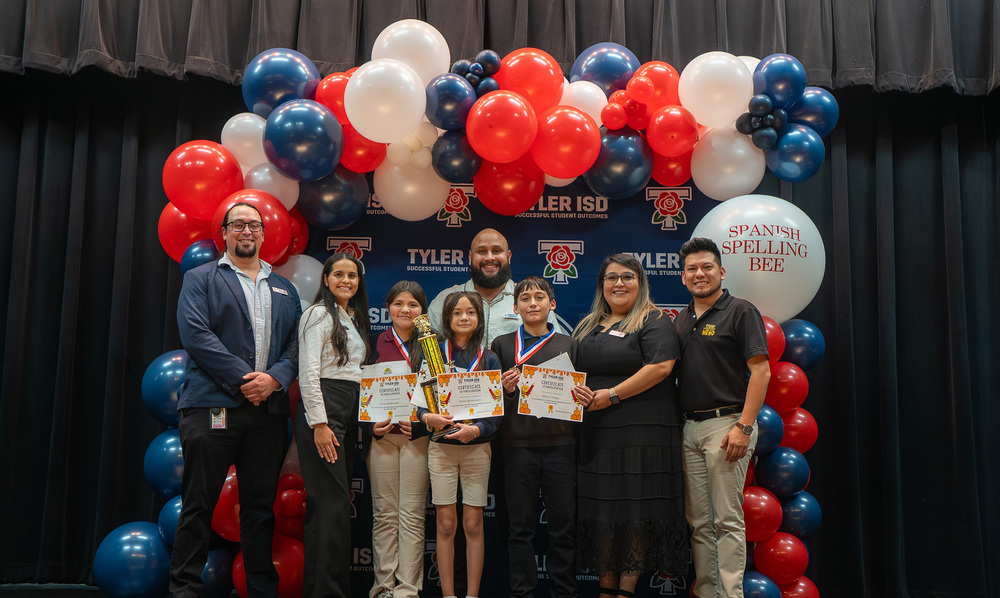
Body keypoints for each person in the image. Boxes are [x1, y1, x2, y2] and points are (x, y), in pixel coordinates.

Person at [170, 202, 301, 598]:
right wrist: (247, 381)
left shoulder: (284, 287)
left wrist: (275, 379)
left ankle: (262, 590)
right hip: (213, 408)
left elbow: (298, 344)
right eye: (238, 224)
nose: (247, 231)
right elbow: (196, 335)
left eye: (254, 225)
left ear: (264, 234)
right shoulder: (201, 278)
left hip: (268, 414)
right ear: (224, 233)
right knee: (198, 506)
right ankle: (184, 590)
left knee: (260, 511)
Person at [572, 254, 687, 598]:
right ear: (601, 285)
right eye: (611, 278)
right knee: (605, 511)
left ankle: (626, 592)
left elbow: (661, 368)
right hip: (597, 432)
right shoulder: (590, 324)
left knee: (634, 510)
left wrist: (614, 395)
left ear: (640, 282)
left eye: (627, 277)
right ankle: (606, 591)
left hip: (642, 431)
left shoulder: (653, 321)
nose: (618, 283)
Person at [674, 238, 771, 598]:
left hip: (727, 425)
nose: (699, 274)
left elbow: (761, 372)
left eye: (706, 267)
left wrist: (743, 427)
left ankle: (731, 595)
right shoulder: (682, 319)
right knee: (699, 523)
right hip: (690, 428)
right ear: (683, 277)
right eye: (692, 269)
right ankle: (708, 592)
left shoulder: (741, 311)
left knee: (727, 521)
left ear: (721, 271)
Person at [490, 276, 591, 598]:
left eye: (539, 297)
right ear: (516, 306)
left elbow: (582, 401)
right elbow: (493, 403)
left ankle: (564, 591)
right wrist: (505, 391)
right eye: (525, 298)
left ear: (552, 304)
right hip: (516, 446)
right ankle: (522, 592)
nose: (532, 303)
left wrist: (581, 397)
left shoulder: (570, 345)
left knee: (563, 528)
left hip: (561, 446)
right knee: (520, 528)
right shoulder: (503, 345)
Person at [294, 252, 371, 598]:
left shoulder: (351, 318)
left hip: (345, 409)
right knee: (332, 505)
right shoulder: (318, 313)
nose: (345, 281)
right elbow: (308, 372)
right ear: (325, 280)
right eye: (338, 274)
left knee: (333, 506)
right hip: (324, 411)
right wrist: (320, 423)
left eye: (352, 276)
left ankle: (323, 590)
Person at [418, 291, 502, 598]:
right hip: (440, 449)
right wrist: (430, 418)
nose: (464, 317)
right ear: (448, 319)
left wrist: (477, 431)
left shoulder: (489, 357)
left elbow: (495, 411)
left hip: (477, 449)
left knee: (473, 523)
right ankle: (449, 595)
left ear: (479, 319)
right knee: (445, 523)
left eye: (470, 312)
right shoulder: (433, 354)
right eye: (457, 313)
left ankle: (472, 595)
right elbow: (418, 406)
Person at [366, 281, 431, 598]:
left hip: (416, 439)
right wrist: (370, 428)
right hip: (383, 440)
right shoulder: (374, 341)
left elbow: (439, 395)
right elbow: (360, 393)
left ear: (422, 310)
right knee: (384, 516)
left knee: (412, 516)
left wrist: (420, 426)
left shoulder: (432, 344)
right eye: (399, 304)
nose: (406, 310)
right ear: (388, 307)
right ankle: (382, 587)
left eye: (413, 304)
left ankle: (407, 590)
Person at [427, 228, 562, 347]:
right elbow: (429, 350)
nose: (490, 257)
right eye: (482, 251)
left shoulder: (531, 300)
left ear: (508, 256)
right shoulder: (444, 300)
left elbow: (555, 347)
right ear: (470, 257)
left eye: (496, 251)